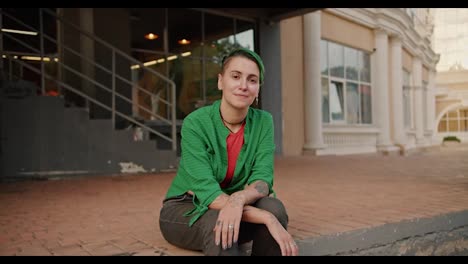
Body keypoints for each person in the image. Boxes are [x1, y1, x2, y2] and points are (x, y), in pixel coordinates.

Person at [158, 48, 298, 256]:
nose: (243, 86)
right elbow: (207, 191)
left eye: (252, 80)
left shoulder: (263, 121)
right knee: (222, 222)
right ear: (220, 81)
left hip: (235, 203)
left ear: (258, 89)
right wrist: (265, 218)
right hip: (185, 209)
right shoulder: (195, 123)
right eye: (235, 76)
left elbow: (263, 179)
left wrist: (238, 200)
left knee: (275, 208)